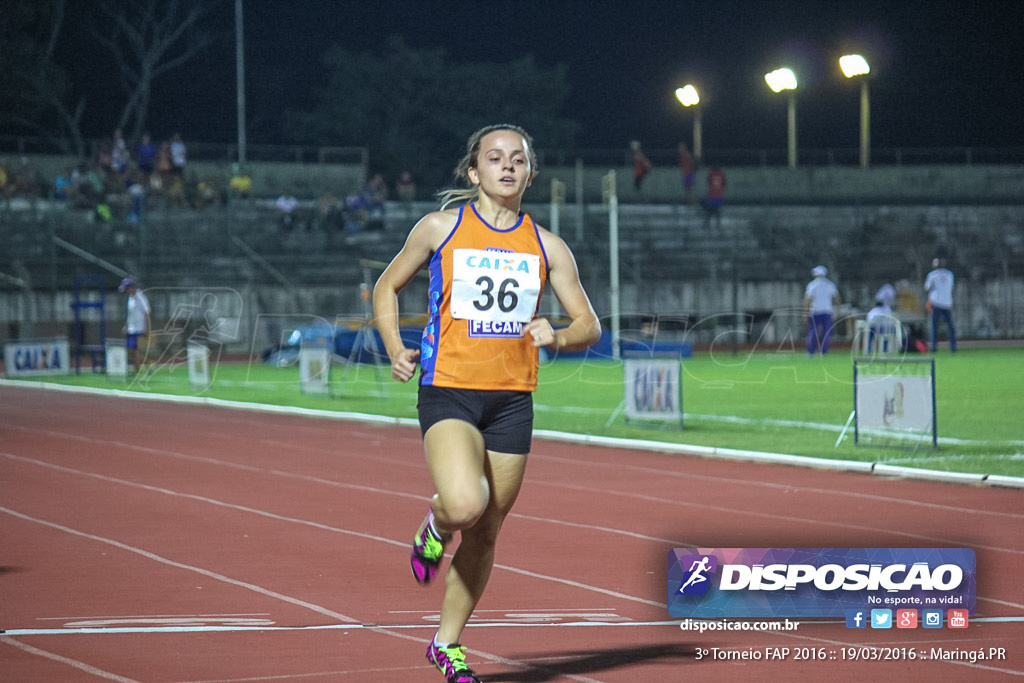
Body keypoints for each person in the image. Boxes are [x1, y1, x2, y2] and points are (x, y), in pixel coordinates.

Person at [372, 124, 601, 683]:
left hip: (512, 401)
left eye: (517, 160)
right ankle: (435, 522)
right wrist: (395, 347)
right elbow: (385, 286)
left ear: (529, 172)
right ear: (474, 173)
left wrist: (560, 335)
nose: (506, 167)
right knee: (464, 503)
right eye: (494, 159)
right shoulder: (440, 228)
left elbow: (589, 323)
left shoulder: (548, 246)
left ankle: (446, 644)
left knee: (487, 530)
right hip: (448, 387)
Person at [803, 265, 840, 355]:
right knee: (826, 332)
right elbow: (837, 299)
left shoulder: (812, 285)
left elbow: (808, 300)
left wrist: (805, 313)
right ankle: (824, 351)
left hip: (815, 311)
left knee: (813, 332)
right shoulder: (830, 284)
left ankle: (811, 352)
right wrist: (837, 311)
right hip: (827, 311)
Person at [118, 277, 151, 374]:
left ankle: (137, 372)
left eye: (126, 289)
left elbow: (147, 313)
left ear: (131, 287)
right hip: (131, 330)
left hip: (139, 329)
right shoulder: (130, 298)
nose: (126, 292)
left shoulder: (141, 297)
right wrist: (126, 326)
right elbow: (130, 315)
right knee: (131, 352)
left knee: (136, 352)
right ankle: (149, 363)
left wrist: (147, 329)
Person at [924, 257, 957, 352]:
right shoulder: (950, 274)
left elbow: (927, 288)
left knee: (934, 326)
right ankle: (953, 346)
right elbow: (951, 286)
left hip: (936, 302)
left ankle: (934, 346)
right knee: (950, 326)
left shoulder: (932, 275)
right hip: (947, 303)